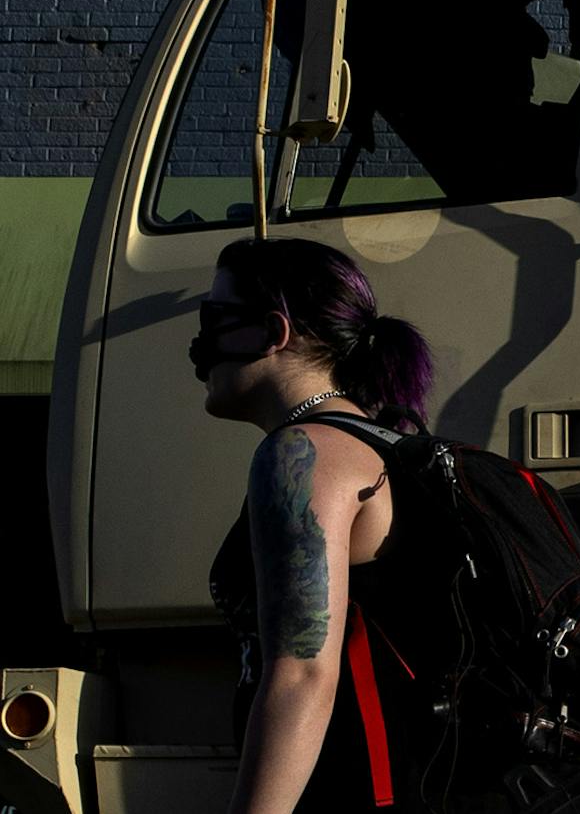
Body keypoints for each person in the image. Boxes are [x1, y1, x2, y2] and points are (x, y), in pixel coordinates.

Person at [196, 237, 446, 813]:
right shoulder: (381, 441)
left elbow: (303, 673)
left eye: (213, 318)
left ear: (272, 331)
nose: (199, 347)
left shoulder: (304, 453)